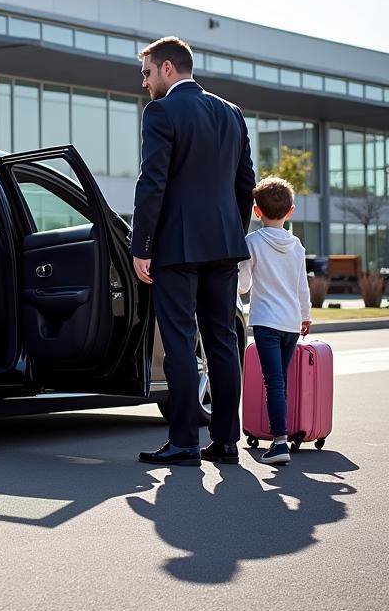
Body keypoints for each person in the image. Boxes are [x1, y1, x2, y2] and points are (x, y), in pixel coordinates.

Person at [132, 36, 255, 466]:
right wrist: (232, 235)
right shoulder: (231, 113)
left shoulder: (161, 111)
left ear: (168, 68)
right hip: (223, 245)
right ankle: (225, 442)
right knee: (222, 341)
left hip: (177, 246)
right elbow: (245, 185)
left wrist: (141, 245)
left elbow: (153, 182)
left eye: (146, 72)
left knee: (181, 339)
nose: (144, 82)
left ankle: (184, 441)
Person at [237, 176, 311, 465]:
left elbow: (243, 286)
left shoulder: (251, 242)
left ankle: (280, 442)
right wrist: (305, 316)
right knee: (280, 381)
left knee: (274, 382)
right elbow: (302, 286)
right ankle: (281, 438)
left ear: (257, 211)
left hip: (267, 323)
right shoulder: (297, 245)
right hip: (292, 323)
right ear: (291, 211)